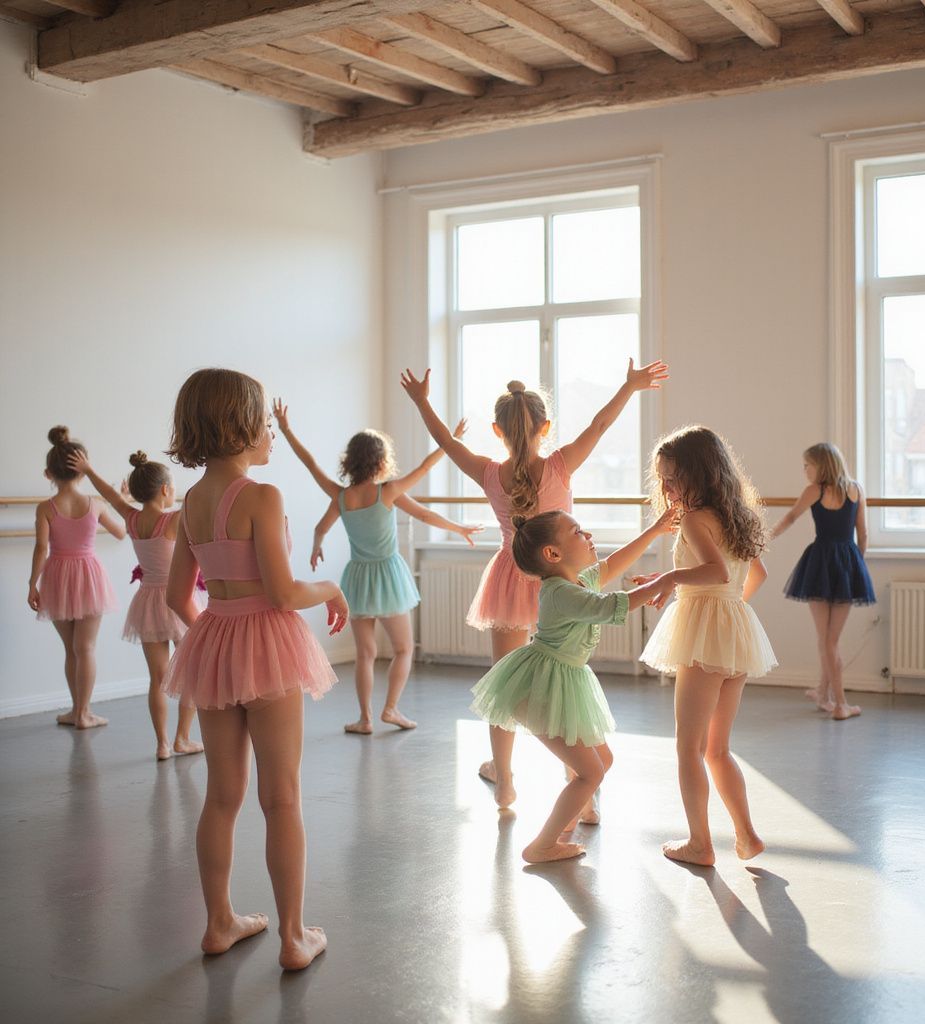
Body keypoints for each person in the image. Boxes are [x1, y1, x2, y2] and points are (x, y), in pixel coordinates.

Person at [401, 358, 669, 808]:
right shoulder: (560, 465)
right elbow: (600, 425)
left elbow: (446, 442)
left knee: (505, 684)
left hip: (511, 573)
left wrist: (423, 402)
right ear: (545, 426)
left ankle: (504, 780)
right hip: (562, 573)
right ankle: (581, 786)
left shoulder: (489, 473)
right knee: (569, 676)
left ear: (496, 429)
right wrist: (630, 386)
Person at [162, 368, 348, 971]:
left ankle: (218, 923)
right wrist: (333, 588)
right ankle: (293, 938)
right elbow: (285, 592)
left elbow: (175, 597)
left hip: (215, 639)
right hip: (267, 645)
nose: (270, 434)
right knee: (282, 797)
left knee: (222, 796)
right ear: (239, 426)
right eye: (265, 424)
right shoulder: (262, 498)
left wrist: (216, 643)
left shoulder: (190, 502)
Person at [470, 509, 677, 863]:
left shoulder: (579, 581)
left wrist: (655, 531)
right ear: (553, 554)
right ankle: (542, 845)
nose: (588, 535)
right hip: (543, 686)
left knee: (602, 760)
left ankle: (564, 823)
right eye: (578, 532)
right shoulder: (560, 592)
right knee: (591, 770)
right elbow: (609, 606)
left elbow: (615, 564)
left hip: (566, 679)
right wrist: (664, 582)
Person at [272, 399, 481, 733]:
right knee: (402, 649)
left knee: (365, 654)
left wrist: (316, 546)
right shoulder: (389, 491)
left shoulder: (341, 497)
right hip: (388, 576)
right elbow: (426, 481)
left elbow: (312, 473)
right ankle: (391, 709)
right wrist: (452, 441)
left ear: (350, 462)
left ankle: (365, 718)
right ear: (382, 461)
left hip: (356, 578)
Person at [639, 426, 776, 866]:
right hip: (733, 635)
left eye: (673, 478)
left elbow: (716, 572)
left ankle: (700, 844)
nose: (666, 487)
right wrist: (726, 613)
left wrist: (671, 579)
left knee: (688, 748)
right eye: (661, 478)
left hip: (706, 639)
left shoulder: (697, 520)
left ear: (699, 474)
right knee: (717, 749)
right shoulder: (736, 515)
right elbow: (754, 577)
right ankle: (747, 836)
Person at [69, 448, 206, 759]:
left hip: (147, 602)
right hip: (178, 600)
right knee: (192, 674)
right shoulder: (174, 520)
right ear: (166, 490)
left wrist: (89, 469)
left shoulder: (132, 518)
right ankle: (183, 738)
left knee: (157, 679)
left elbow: (109, 495)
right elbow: (203, 503)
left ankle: (162, 745)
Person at [29, 426, 124, 729]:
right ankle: (84, 713)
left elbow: (42, 548)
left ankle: (76, 711)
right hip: (89, 575)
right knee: (87, 649)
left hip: (57, 576)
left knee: (71, 650)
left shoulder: (46, 507)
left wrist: (32, 584)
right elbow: (122, 533)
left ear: (48, 474)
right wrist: (118, 499)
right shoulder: (94, 505)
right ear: (81, 472)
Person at [772, 442, 875, 721]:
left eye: (808, 465)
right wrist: (857, 565)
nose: (805, 470)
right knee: (831, 640)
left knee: (827, 641)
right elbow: (862, 534)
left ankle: (840, 704)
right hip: (846, 563)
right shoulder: (856, 490)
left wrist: (768, 537)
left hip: (820, 563)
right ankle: (823, 693)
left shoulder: (815, 491)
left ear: (821, 465)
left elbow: (791, 517)